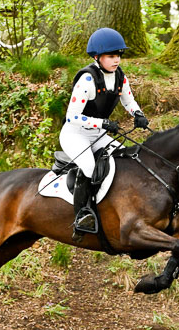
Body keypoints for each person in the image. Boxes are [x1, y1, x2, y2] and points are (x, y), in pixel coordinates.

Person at [60, 27, 149, 234]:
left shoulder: (120, 77)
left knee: (125, 161)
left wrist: (138, 114)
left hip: (97, 135)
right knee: (90, 168)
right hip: (75, 134)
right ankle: (83, 215)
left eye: (118, 55)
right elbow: (72, 116)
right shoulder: (87, 80)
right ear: (98, 57)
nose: (116, 60)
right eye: (111, 56)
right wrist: (102, 124)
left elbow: (129, 100)